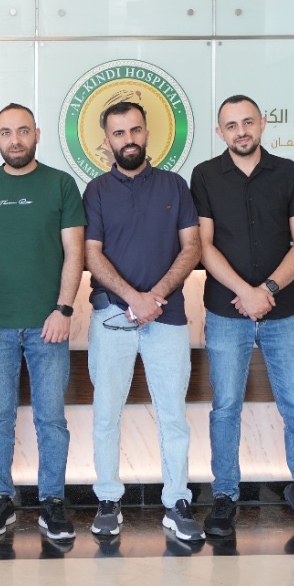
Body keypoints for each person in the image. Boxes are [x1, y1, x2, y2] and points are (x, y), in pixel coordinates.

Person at [189, 96, 294, 537]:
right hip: (225, 311)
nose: (241, 131)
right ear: (220, 132)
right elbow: (204, 245)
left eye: (248, 122)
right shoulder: (205, 175)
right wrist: (244, 293)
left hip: (281, 310)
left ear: (263, 124)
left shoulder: (288, 172)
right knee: (225, 407)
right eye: (231, 125)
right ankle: (225, 496)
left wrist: (266, 291)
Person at [0, 104, 85, 541]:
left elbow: (75, 251)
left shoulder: (60, 184)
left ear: (37, 134)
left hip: (48, 324)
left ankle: (53, 502)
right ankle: (1, 499)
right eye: (6, 132)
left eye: (23, 131)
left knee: (51, 419)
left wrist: (64, 309)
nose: (15, 140)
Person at [82, 101, 203, 543]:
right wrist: (134, 298)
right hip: (112, 316)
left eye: (135, 130)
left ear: (147, 133)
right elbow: (92, 255)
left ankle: (177, 503)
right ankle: (108, 500)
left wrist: (155, 297)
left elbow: (191, 248)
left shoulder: (175, 185)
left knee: (173, 416)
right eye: (119, 133)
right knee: (106, 414)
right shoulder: (96, 190)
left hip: (167, 317)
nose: (128, 139)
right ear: (107, 141)